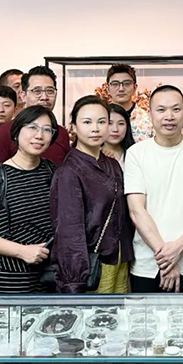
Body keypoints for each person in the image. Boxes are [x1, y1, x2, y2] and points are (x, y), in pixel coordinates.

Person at [124, 85, 183, 293]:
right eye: (161, 110)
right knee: (145, 315)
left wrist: (177, 248)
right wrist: (166, 257)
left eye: (176, 109)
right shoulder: (136, 153)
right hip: (147, 265)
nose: (169, 116)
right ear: (150, 114)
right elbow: (136, 210)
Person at [0, 106, 59, 294]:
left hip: (47, 278)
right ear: (17, 132)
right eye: (32, 127)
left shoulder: (52, 171)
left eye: (47, 130)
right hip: (6, 279)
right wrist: (22, 251)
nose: (39, 135)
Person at [50, 96, 135, 293]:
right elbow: (69, 230)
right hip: (91, 263)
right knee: (99, 312)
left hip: (120, 257)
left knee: (120, 310)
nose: (95, 129)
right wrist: (75, 279)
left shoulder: (112, 164)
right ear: (73, 126)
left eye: (102, 122)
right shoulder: (69, 171)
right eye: (87, 122)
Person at [0, 66, 71, 166]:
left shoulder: (61, 133)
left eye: (50, 91)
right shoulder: (5, 132)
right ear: (23, 95)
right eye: (37, 91)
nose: (44, 97)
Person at [106, 64, 153, 142]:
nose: (121, 89)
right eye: (115, 84)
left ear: (135, 87)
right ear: (108, 89)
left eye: (127, 83)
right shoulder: (101, 117)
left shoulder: (147, 120)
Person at [102, 103, 136, 169]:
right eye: (109, 123)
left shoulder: (135, 153)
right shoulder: (93, 155)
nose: (115, 129)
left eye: (120, 124)